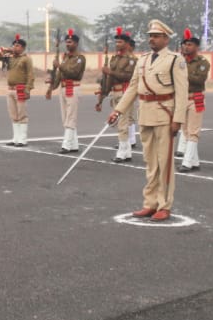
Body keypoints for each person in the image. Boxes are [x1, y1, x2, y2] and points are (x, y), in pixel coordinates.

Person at [110, 19, 187, 220]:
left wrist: (178, 119)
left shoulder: (174, 59)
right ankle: (150, 203)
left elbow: (182, 92)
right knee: (151, 163)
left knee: (165, 163)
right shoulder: (142, 59)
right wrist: (118, 110)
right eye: (150, 36)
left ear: (165, 38)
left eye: (155, 36)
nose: (151, 39)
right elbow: (133, 87)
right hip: (145, 114)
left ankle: (164, 205)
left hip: (164, 115)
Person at [94, 28, 137, 162]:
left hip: (125, 92)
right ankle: (127, 151)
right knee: (119, 123)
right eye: (116, 42)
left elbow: (129, 76)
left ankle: (122, 152)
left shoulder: (131, 59)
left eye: (120, 42)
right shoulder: (114, 58)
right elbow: (108, 80)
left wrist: (110, 72)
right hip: (115, 92)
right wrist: (102, 96)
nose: (117, 44)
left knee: (123, 123)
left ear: (126, 43)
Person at [45, 29, 87, 153]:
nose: (68, 44)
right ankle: (74, 145)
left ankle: (66, 145)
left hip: (73, 87)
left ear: (76, 43)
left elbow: (73, 72)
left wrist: (59, 66)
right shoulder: (65, 57)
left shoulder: (80, 58)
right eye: (66, 42)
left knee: (70, 117)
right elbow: (59, 74)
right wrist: (52, 87)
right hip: (63, 88)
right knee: (66, 118)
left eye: (70, 42)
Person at [0, 35, 35, 146]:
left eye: (17, 46)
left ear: (23, 48)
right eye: (14, 45)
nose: (15, 47)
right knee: (13, 115)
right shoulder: (9, 57)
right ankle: (15, 138)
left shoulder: (26, 59)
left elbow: (31, 75)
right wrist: (3, 50)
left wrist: (28, 88)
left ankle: (23, 139)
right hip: (10, 89)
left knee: (22, 114)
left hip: (20, 89)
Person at [177, 29, 209, 172]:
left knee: (193, 130)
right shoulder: (180, 61)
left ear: (196, 47)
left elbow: (200, 79)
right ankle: (194, 161)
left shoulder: (202, 62)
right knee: (185, 130)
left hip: (196, 97)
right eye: (185, 44)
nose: (186, 47)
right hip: (183, 98)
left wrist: (183, 74)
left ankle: (187, 162)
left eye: (189, 45)